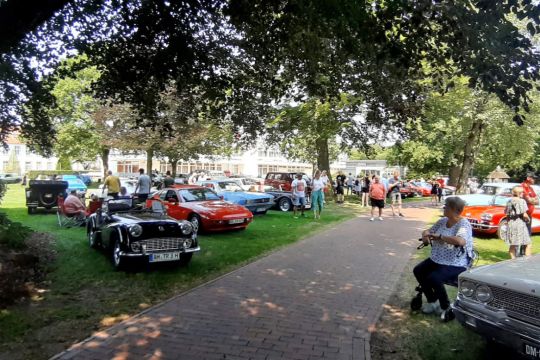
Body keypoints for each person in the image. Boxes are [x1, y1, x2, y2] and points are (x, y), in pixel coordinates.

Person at [414, 197, 474, 319]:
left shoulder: (463, 224)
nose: (444, 208)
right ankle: (432, 301)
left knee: (434, 278)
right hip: (438, 258)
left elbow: (461, 241)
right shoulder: (443, 221)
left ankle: (445, 306)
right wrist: (425, 235)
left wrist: (440, 236)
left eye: (446, 206)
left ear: (453, 209)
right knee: (418, 270)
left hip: (456, 263)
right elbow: (429, 231)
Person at [504, 186, 531, 258]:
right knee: (527, 243)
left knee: (513, 244)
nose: (523, 193)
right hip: (520, 224)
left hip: (511, 224)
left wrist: (508, 223)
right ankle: (528, 261)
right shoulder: (522, 201)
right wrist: (528, 220)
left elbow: (507, 215)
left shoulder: (509, 201)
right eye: (522, 192)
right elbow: (524, 215)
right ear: (519, 193)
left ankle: (513, 261)